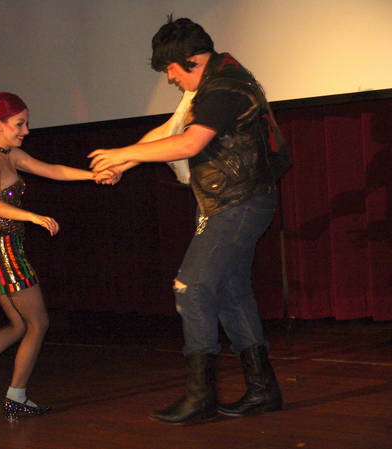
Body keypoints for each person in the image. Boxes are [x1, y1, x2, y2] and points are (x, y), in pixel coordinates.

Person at [89, 16, 285, 424]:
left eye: (171, 69)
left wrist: (122, 154)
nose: (170, 78)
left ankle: (201, 396)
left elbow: (190, 143)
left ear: (192, 60)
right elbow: (168, 132)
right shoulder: (212, 81)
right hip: (230, 201)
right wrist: (122, 162)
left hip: (238, 203)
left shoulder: (225, 87)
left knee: (190, 288)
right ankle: (262, 390)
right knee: (231, 293)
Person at [0, 92, 116, 421]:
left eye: (26, 124)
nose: (26, 130)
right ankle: (16, 397)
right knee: (38, 322)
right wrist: (33, 217)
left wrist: (94, 175)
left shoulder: (11, 154)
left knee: (19, 325)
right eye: (19, 124)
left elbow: (53, 170)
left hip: (3, 248)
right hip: (2, 250)